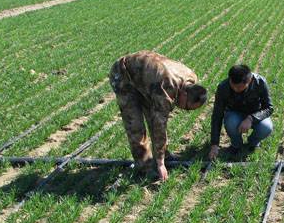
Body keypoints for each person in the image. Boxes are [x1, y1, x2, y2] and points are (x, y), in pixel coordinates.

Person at [109, 50, 207, 180]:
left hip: (147, 78)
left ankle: (162, 154)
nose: (185, 109)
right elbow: (159, 125)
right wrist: (160, 164)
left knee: (151, 113)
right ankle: (144, 167)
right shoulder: (167, 89)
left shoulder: (191, 77)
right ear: (184, 94)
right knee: (135, 125)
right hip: (123, 74)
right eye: (187, 107)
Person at [209, 64, 273, 160]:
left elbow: (269, 108)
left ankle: (253, 143)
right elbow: (217, 115)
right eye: (233, 86)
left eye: (239, 87)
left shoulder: (260, 82)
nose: (235, 89)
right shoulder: (223, 87)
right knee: (231, 122)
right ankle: (236, 145)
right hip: (235, 114)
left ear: (250, 80)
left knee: (266, 127)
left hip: (255, 113)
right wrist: (214, 144)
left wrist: (251, 118)